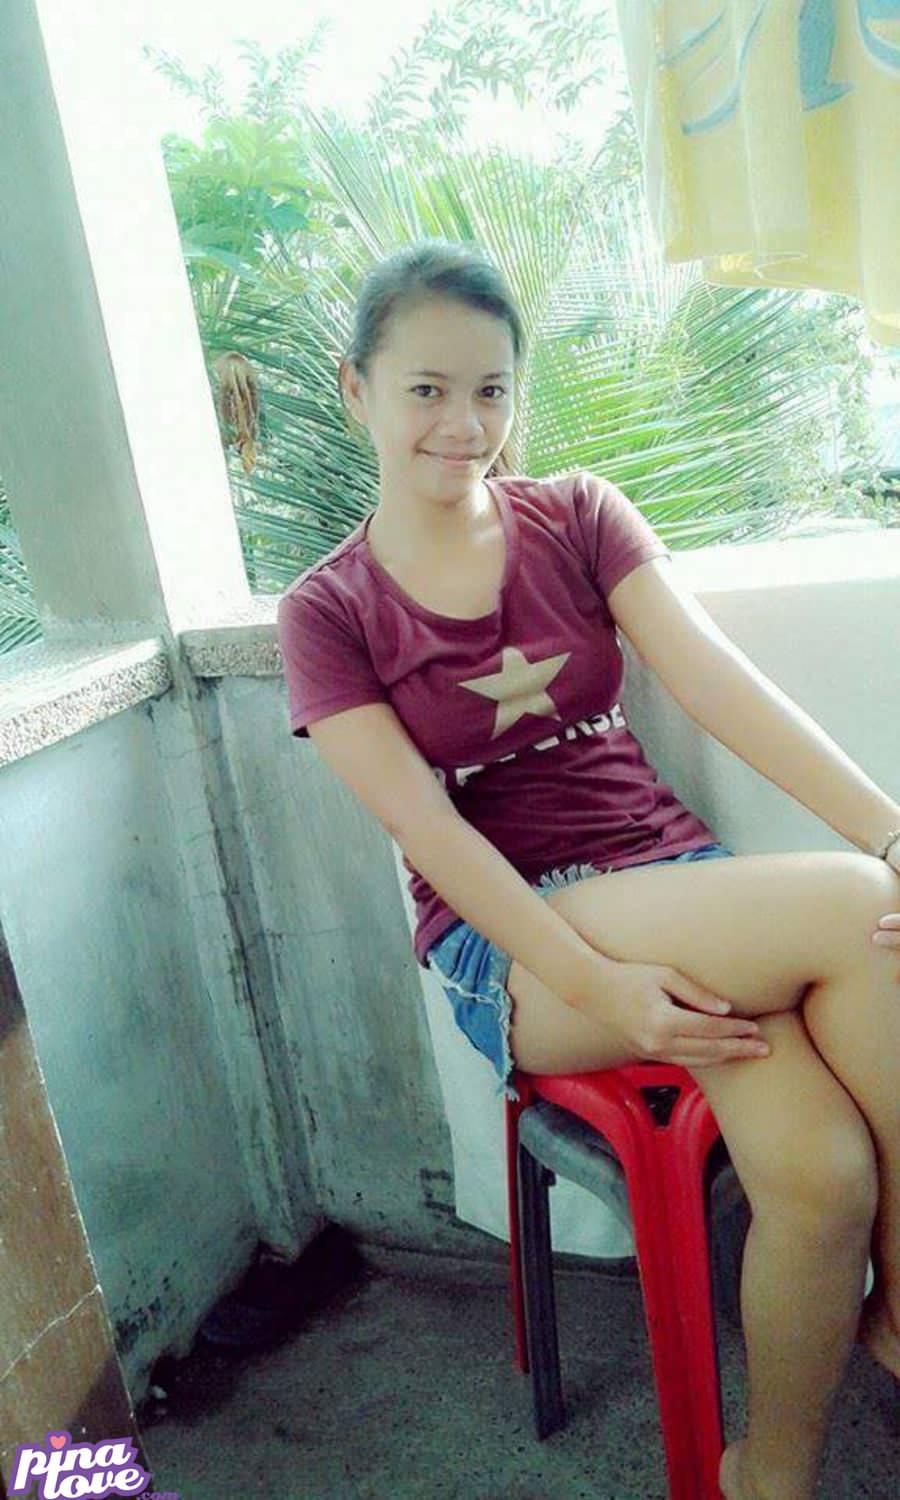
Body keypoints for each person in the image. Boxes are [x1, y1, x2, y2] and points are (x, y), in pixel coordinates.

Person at [277, 239, 900, 1500]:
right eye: (427, 389)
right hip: (512, 952)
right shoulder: (329, 611)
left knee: (825, 1176)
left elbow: (718, 682)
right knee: (861, 907)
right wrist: (601, 985)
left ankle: (765, 1477)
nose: (465, 425)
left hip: (672, 879)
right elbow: (433, 835)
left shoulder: (575, 514)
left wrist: (889, 827)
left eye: (492, 390)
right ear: (357, 389)